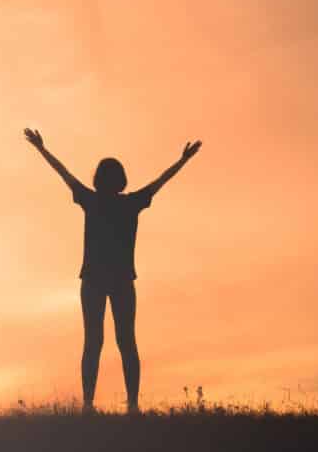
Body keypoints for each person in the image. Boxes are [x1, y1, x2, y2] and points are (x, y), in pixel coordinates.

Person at [23, 128, 202, 414]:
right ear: (119, 180)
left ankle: (93, 404)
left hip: (101, 280)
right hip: (111, 280)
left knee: (99, 341)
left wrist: (42, 149)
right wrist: (183, 160)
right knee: (121, 341)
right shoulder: (127, 203)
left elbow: (64, 174)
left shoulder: (95, 200)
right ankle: (123, 405)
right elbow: (160, 182)